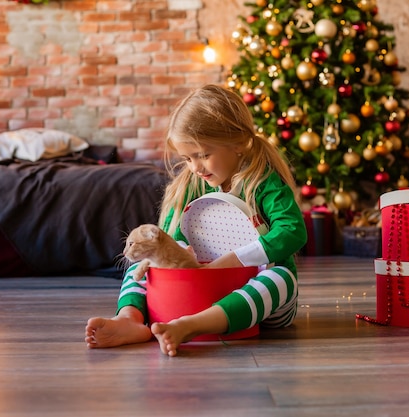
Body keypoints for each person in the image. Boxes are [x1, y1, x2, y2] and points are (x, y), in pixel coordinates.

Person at [85, 84, 307, 356]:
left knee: (280, 278)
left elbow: (292, 231)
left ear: (239, 142)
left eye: (203, 155)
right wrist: (179, 251)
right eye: (187, 158)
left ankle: (195, 325)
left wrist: (232, 261)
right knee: (139, 268)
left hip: (262, 304)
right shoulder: (189, 185)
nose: (195, 167)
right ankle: (129, 319)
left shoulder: (264, 182)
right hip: (199, 290)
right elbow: (167, 239)